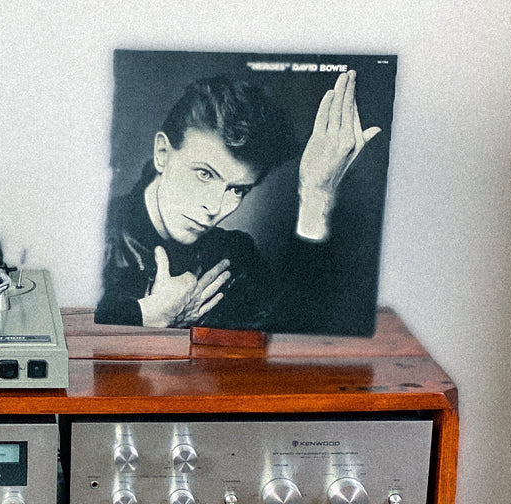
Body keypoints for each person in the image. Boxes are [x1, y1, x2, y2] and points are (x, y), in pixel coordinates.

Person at [94, 69, 381, 331]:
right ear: (162, 153)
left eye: (237, 190)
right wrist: (145, 316)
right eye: (204, 174)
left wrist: (316, 195)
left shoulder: (235, 258)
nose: (215, 207)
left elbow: (298, 342)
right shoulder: (93, 235)